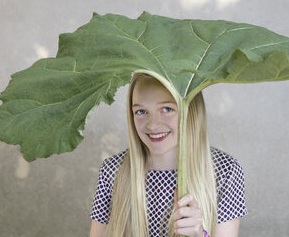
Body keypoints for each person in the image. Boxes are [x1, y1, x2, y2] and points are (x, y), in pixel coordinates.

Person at [89, 73, 248, 237]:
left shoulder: (225, 171)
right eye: (141, 111)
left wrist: (199, 234)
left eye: (167, 109)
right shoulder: (113, 171)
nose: (153, 124)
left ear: (191, 111)